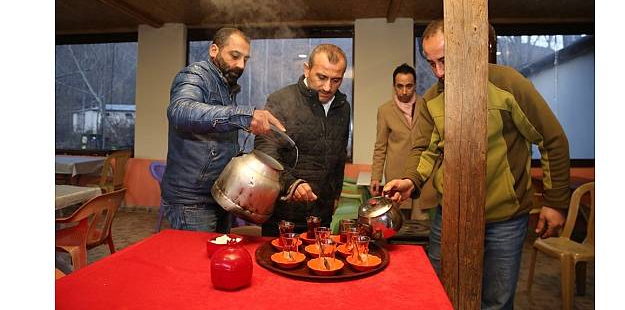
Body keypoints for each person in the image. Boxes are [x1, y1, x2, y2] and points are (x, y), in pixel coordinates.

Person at [383, 19, 571, 309]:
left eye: (444, 60)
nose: (439, 72)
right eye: (431, 63)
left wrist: (556, 201)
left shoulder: (508, 83)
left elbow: (552, 138)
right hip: (449, 216)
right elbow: (425, 150)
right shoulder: (432, 99)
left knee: (496, 301)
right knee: (436, 293)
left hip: (504, 220)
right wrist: (410, 180)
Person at [161, 27, 285, 233]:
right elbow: (180, 111)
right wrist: (244, 116)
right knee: (195, 262)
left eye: (245, 59)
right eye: (235, 56)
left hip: (220, 193)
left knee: (216, 258)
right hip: (192, 200)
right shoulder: (195, 75)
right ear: (213, 50)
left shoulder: (227, 87)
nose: (240, 65)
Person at [254, 44, 351, 237]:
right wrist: (292, 183)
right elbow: (265, 151)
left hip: (321, 216)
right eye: (321, 77)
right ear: (307, 69)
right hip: (282, 214)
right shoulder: (281, 100)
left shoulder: (343, 107)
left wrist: (335, 195)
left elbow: (339, 155)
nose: (327, 87)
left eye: (336, 80)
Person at [369, 63, 436, 220]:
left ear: (415, 85)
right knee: (398, 225)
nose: (404, 91)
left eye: (409, 86)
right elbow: (380, 147)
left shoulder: (427, 106)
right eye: (400, 86)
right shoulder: (385, 111)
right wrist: (375, 177)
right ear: (394, 86)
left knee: (422, 226)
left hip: (421, 178)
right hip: (395, 178)